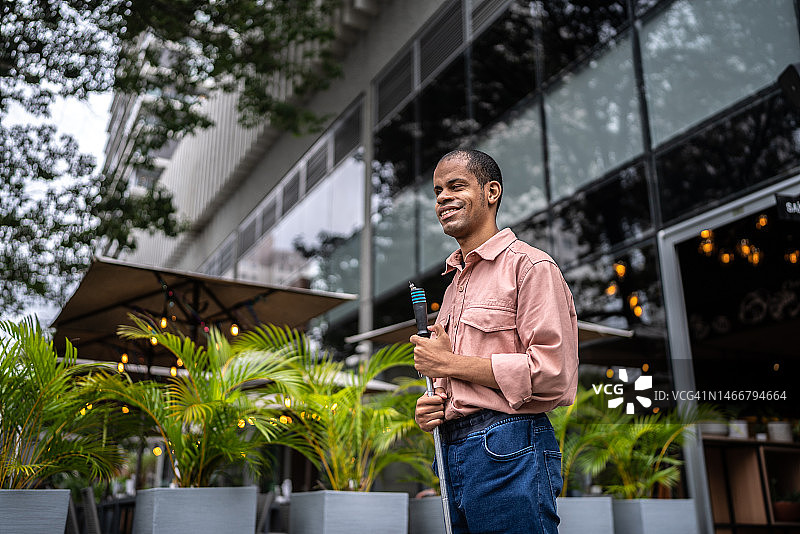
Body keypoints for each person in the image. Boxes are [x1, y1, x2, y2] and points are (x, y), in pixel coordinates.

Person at [411, 149, 578, 534]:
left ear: (492, 192)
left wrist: (448, 365)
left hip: (508, 445)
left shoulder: (531, 267)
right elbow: (451, 377)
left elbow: (552, 372)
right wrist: (434, 405)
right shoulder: (454, 287)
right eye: (437, 191)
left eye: (456, 186)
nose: (442, 198)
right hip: (451, 449)